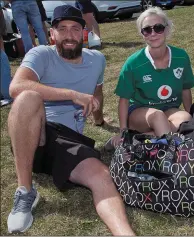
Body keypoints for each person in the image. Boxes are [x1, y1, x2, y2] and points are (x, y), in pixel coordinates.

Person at [6, 5, 135, 235]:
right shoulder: (40, 54)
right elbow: (16, 87)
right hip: (36, 134)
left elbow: (97, 94)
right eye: (62, 29)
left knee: (101, 175)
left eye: (75, 29)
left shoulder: (97, 60)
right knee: (28, 97)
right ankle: (25, 191)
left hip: (68, 143)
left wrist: (99, 121)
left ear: (84, 33)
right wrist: (72, 95)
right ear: (51, 34)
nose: (69, 35)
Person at [107, 7, 194, 149]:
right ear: (142, 34)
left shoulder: (181, 56)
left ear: (166, 30)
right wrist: (123, 130)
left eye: (158, 28)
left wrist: (192, 115)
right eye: (147, 30)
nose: (153, 34)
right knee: (158, 116)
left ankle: (136, 140)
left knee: (185, 119)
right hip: (139, 112)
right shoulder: (133, 63)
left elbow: (186, 88)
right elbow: (123, 100)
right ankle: (171, 154)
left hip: (170, 109)